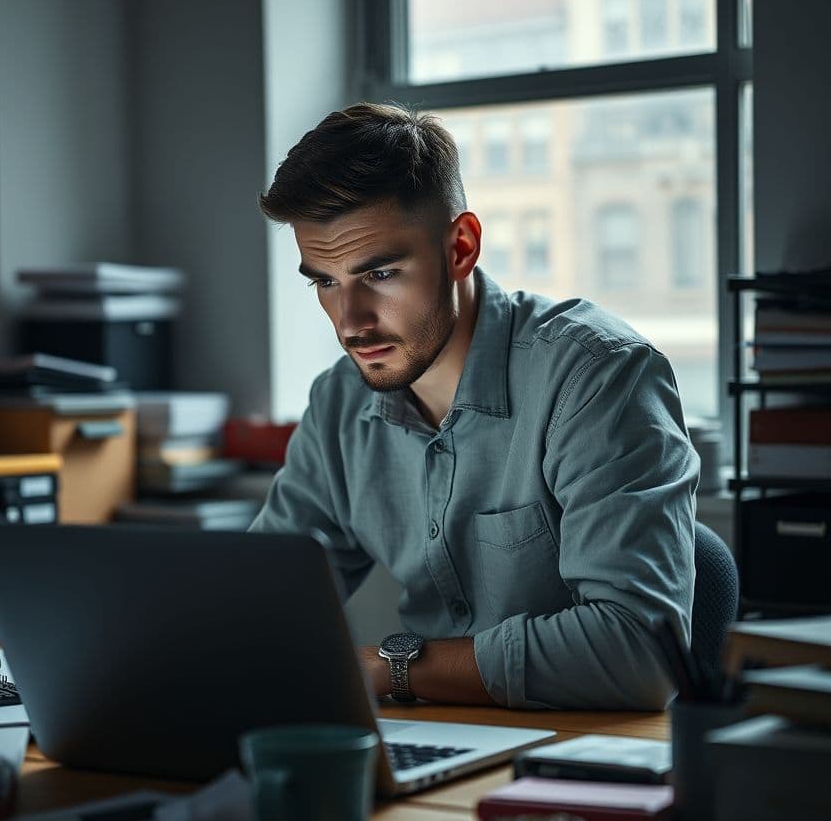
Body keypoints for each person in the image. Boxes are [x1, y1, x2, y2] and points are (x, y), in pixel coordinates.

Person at [251, 102, 699, 710]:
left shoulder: (597, 376)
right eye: (325, 282)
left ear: (461, 246)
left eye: (380, 274)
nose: (350, 323)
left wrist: (387, 670)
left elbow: (638, 654)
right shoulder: (339, 402)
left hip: (578, 756)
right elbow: (258, 606)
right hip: (428, 743)